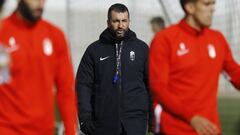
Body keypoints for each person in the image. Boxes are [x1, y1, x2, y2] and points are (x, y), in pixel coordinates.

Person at [149, 0, 240, 135]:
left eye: (213, 4)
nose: (212, 9)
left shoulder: (217, 39)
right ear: (190, 7)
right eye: (206, 4)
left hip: (210, 129)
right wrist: (191, 117)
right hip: (174, 129)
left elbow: (235, 74)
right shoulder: (164, 39)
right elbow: (158, 88)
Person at [0, 0, 77, 134]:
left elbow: (66, 89)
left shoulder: (55, 35)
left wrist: (70, 130)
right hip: (7, 129)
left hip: (44, 130)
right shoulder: (3, 32)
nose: (40, 3)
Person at [76, 3, 150, 135]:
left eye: (124, 21)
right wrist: (85, 119)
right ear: (108, 22)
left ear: (129, 21)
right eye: (116, 21)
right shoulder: (94, 50)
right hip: (103, 124)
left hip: (135, 124)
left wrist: (152, 118)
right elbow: (83, 86)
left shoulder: (142, 49)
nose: (120, 25)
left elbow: (152, 84)